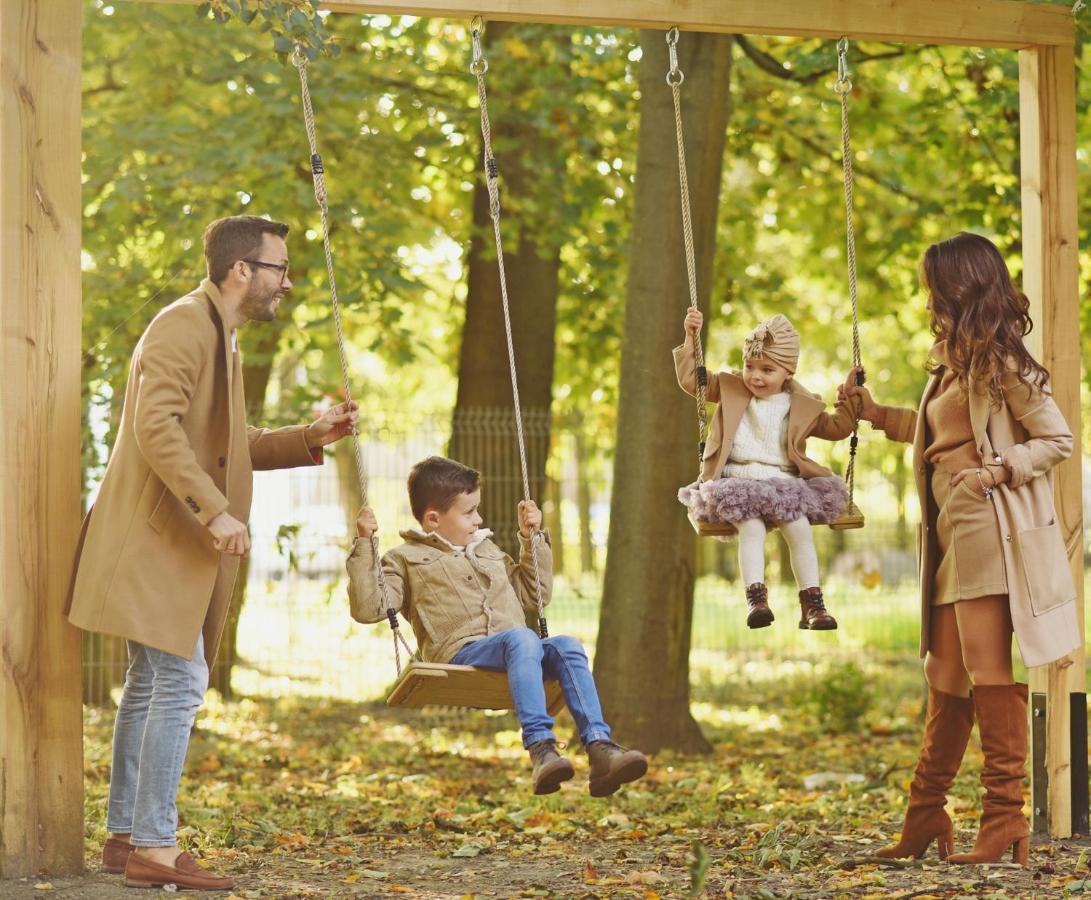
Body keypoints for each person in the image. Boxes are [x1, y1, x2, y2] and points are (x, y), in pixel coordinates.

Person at [68, 215, 358, 890]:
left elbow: (228, 443)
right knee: (180, 681)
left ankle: (125, 837)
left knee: (149, 686)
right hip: (154, 541)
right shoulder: (182, 324)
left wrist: (310, 434)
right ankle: (155, 848)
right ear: (241, 272)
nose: (287, 282)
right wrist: (215, 511)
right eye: (279, 269)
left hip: (166, 544)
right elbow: (154, 425)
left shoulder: (216, 335)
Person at [842, 232, 1077, 865]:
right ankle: (925, 816)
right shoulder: (951, 364)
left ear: (960, 289)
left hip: (988, 534)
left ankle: (1005, 817)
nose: (927, 303)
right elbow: (934, 438)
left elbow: (1058, 440)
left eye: (934, 290)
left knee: (985, 668)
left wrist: (998, 469)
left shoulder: (1005, 365)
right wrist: (871, 413)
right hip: (948, 534)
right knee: (942, 673)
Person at [347, 455, 649, 797]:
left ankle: (600, 749)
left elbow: (535, 595)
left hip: (518, 650)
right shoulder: (404, 559)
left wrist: (529, 540)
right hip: (461, 654)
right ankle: (541, 748)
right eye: (469, 512)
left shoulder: (486, 550)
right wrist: (364, 545)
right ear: (433, 519)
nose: (478, 520)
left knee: (567, 646)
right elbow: (370, 607)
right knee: (522, 638)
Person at [674, 308, 859, 630]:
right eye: (750, 366)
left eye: (767, 369)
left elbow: (838, 428)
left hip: (783, 483)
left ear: (788, 371)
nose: (755, 376)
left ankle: (813, 605)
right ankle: (756, 599)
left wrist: (851, 398)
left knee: (799, 529)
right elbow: (691, 379)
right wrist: (690, 338)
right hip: (738, 480)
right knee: (752, 528)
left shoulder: (802, 403)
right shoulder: (729, 387)